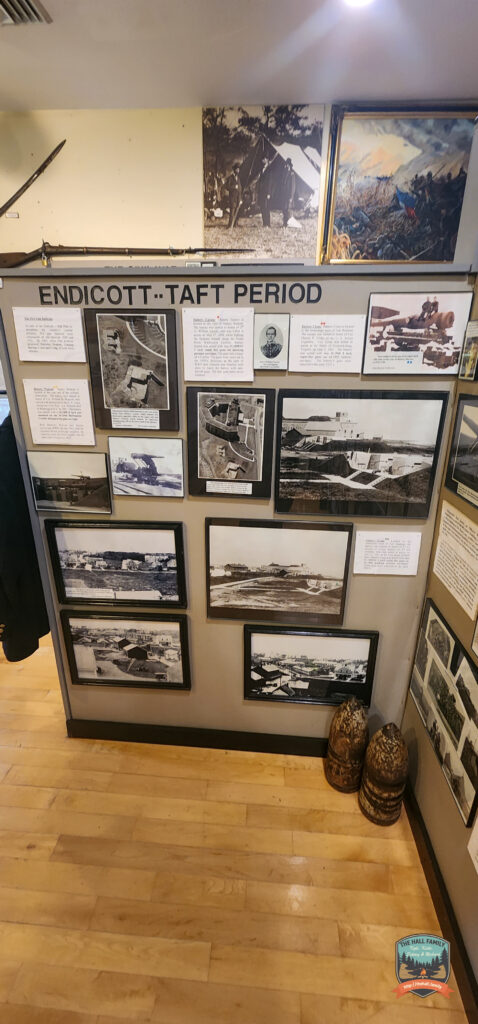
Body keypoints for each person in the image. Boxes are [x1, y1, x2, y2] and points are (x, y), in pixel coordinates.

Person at [225, 163, 242, 228]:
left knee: (237, 212)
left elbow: (240, 189)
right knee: (232, 212)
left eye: (239, 169)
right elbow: (227, 187)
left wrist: (240, 199)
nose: (238, 171)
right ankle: (230, 225)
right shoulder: (230, 178)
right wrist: (234, 187)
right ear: (234, 170)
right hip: (232, 198)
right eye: (237, 169)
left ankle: (235, 224)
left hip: (238, 198)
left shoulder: (238, 178)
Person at [281, 157, 295, 227]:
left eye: (287, 165)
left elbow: (293, 187)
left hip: (289, 195)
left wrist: (291, 197)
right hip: (284, 194)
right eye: (286, 164)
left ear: (289, 165)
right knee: (284, 209)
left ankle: (288, 223)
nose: (286, 166)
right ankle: (285, 223)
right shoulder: (285, 173)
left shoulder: (292, 174)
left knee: (288, 209)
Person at [257, 157, 272, 228]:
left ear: (267, 160)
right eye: (262, 159)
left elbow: (270, 182)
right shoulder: (261, 169)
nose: (263, 160)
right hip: (261, 192)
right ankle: (264, 223)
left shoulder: (269, 170)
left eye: (264, 159)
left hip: (266, 192)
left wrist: (269, 193)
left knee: (266, 208)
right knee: (262, 207)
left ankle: (268, 224)